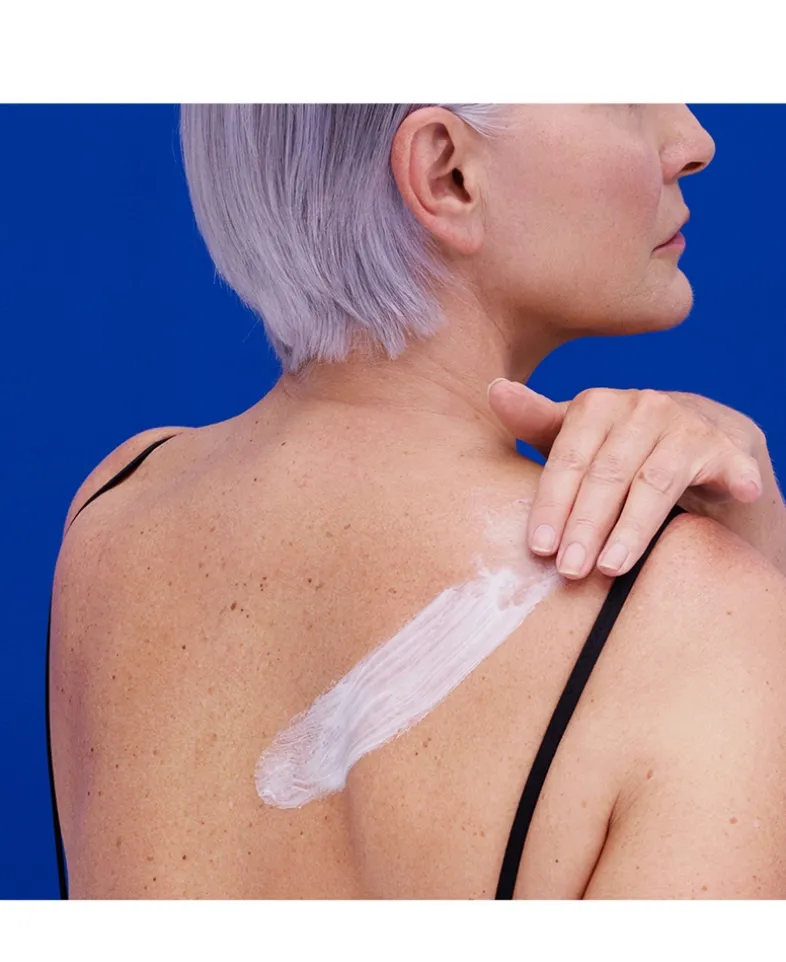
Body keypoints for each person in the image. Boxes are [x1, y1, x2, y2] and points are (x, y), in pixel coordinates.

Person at [48, 104, 786, 899]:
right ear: (447, 173)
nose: (694, 142)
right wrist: (755, 588)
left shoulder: (117, 508)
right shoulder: (690, 618)